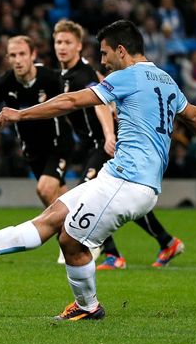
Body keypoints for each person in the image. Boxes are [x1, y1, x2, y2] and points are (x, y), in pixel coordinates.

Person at [0, 20, 196, 320]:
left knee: (70, 239)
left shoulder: (128, 76)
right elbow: (194, 114)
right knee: (54, 214)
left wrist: (21, 114)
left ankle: (88, 306)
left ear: (121, 50)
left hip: (128, 181)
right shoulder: (165, 79)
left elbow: (71, 100)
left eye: (105, 54)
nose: (102, 61)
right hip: (119, 176)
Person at [52, 19, 185, 270]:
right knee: (123, 200)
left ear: (78, 46)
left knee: (92, 195)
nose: (62, 47)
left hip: (104, 143)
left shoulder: (85, 73)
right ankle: (166, 241)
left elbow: (101, 103)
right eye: (58, 42)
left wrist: (109, 134)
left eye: (67, 42)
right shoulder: (65, 76)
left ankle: (113, 255)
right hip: (90, 144)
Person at [0, 35, 73, 207]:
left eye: (22, 54)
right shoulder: (4, 83)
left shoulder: (50, 78)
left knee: (45, 189)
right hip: (32, 150)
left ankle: (70, 232)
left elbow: (75, 98)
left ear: (33, 55)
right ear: (8, 58)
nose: (18, 60)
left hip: (58, 145)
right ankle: (86, 230)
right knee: (60, 199)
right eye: (13, 55)